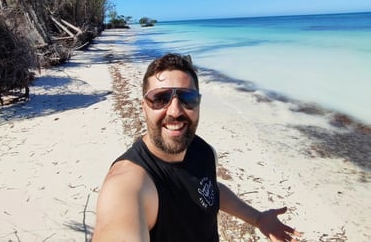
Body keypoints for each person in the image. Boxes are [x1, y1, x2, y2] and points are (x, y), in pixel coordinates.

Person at [92, 53, 301, 242]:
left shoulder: (203, 151)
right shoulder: (128, 185)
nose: (174, 110)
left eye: (187, 98)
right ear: (143, 106)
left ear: (198, 104)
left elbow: (208, 188)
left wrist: (257, 218)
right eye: (160, 98)